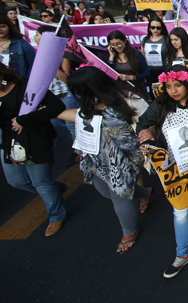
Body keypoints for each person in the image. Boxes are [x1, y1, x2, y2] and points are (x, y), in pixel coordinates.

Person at [135, 65, 188, 277]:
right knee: (180, 211)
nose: (173, 90)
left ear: (187, 83)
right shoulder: (160, 104)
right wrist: (147, 132)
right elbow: (143, 124)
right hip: (177, 169)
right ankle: (183, 253)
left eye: (178, 85)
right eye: (168, 86)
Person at [58, 66, 152, 253]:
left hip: (124, 160)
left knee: (120, 195)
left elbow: (149, 124)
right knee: (105, 191)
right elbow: (78, 117)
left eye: (78, 90)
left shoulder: (129, 101)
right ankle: (145, 193)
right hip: (96, 159)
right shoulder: (90, 104)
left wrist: (145, 143)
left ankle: (129, 232)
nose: (76, 94)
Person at [0, 57, 66, 236]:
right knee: (16, 181)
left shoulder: (26, 86)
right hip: (8, 142)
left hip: (35, 139)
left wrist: (24, 120)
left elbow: (57, 105)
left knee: (41, 182)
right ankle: (55, 188)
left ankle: (56, 215)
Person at [34, 26, 78, 162]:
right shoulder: (37, 53)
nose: (35, 37)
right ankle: (77, 142)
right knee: (53, 123)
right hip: (48, 96)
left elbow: (66, 78)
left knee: (72, 124)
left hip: (65, 94)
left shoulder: (62, 53)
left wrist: (50, 64)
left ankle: (80, 150)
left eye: (37, 34)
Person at [106, 31, 150, 96]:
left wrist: (132, 77)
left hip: (137, 91)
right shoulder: (110, 55)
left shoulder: (136, 54)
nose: (116, 47)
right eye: (112, 45)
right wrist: (111, 58)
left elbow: (146, 73)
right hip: (119, 92)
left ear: (125, 41)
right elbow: (107, 72)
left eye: (118, 43)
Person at [141, 17, 170, 87]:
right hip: (149, 72)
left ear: (162, 28)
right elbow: (142, 55)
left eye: (158, 27)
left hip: (164, 70)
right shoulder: (145, 39)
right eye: (153, 27)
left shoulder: (167, 39)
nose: (155, 29)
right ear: (149, 28)